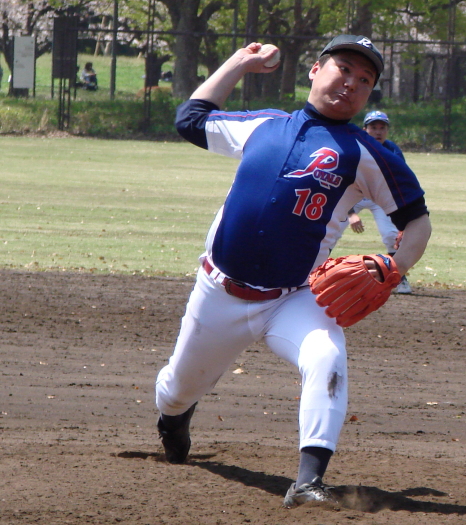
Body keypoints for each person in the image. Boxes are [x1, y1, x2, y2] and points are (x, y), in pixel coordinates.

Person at [156, 35, 431, 509]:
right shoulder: (265, 125)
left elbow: (418, 220)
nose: (352, 82)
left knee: (327, 353)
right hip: (219, 293)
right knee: (177, 391)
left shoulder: (368, 153)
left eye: (365, 79)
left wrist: (395, 265)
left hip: (294, 297)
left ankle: (309, 481)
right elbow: (191, 119)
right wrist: (240, 62)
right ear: (315, 70)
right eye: (344, 69)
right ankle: (174, 419)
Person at [341, 110, 412, 294]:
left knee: (391, 236)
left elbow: (401, 183)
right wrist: (350, 213)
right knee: (330, 230)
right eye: (373, 127)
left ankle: (399, 278)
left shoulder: (393, 151)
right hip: (354, 196)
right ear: (365, 129)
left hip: (378, 198)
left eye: (382, 128)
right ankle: (311, 273)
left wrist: (402, 219)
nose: (378, 132)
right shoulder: (354, 148)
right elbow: (342, 184)